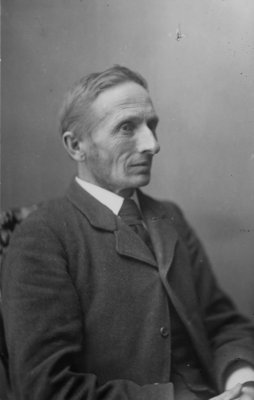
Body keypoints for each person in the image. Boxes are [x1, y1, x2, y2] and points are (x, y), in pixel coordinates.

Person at [1, 65, 254, 400]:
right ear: (77, 146)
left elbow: (221, 322)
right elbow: (46, 388)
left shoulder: (170, 216)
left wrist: (243, 381)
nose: (152, 144)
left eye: (151, 125)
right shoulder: (42, 237)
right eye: (126, 128)